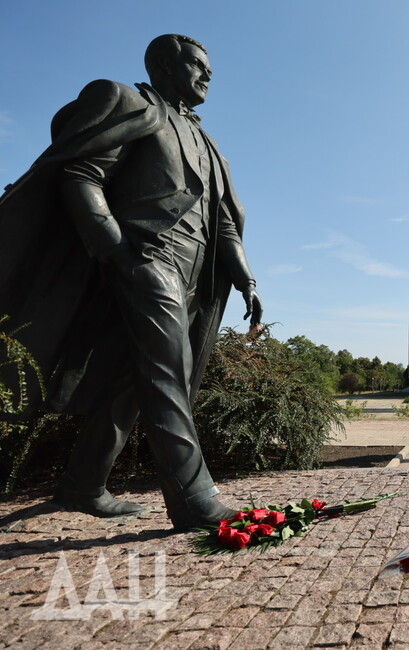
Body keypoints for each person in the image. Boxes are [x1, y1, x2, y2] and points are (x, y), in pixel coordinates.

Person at [0, 35, 262, 530]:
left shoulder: (208, 141)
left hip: (194, 276)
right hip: (145, 257)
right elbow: (81, 172)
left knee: (133, 381)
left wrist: (245, 276)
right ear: (164, 64)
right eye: (198, 66)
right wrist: (116, 249)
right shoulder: (128, 102)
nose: (208, 76)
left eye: (211, 69)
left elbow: (222, 218)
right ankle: (193, 499)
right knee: (168, 373)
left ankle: (82, 483)